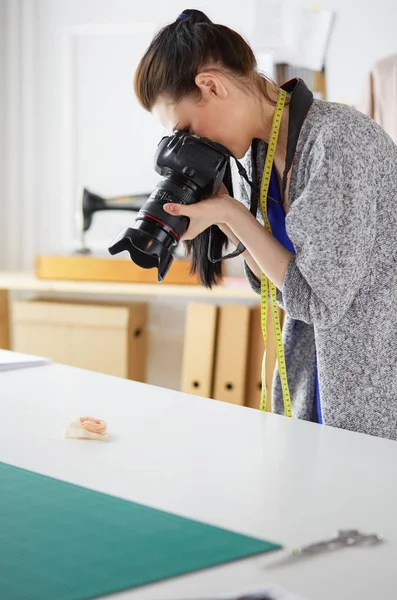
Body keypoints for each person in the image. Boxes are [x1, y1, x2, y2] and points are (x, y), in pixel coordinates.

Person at [133, 8, 397, 440]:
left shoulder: (339, 143)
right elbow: (277, 285)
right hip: (313, 387)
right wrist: (224, 211)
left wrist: (232, 214)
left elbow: (319, 303)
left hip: (375, 400)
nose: (189, 145)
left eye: (185, 129)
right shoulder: (261, 153)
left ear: (211, 85)